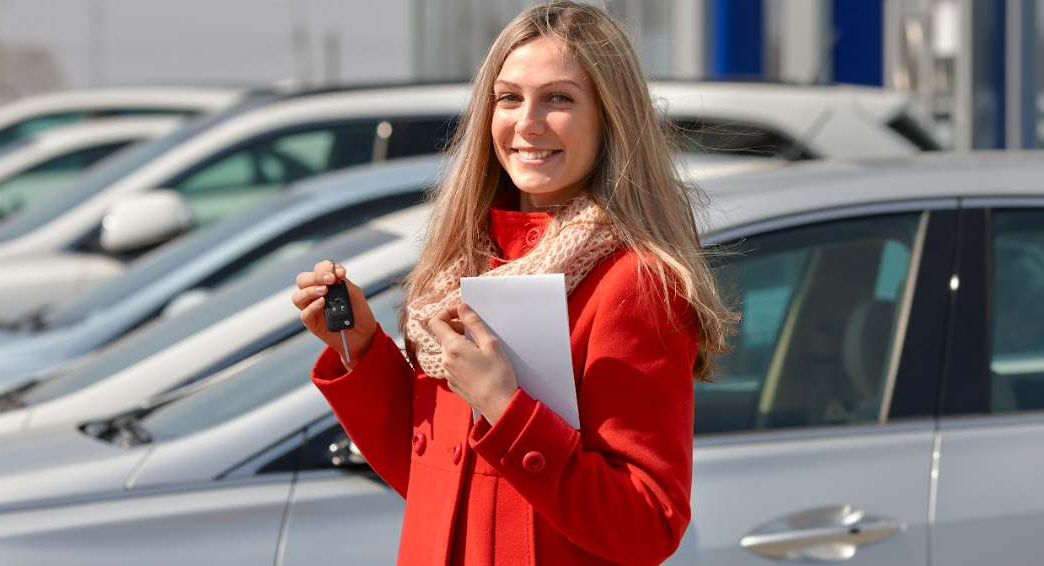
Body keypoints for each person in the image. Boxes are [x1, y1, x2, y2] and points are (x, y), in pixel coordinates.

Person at [291, 2, 735, 564]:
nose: (527, 122)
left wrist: (506, 406)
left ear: (610, 116)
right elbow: (435, 482)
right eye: (509, 98)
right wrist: (358, 347)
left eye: (559, 98)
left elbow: (648, 525)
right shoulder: (464, 265)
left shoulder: (634, 282)